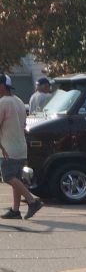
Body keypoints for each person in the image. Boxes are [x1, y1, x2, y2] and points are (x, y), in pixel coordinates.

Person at [0, 75, 45, 220]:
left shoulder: (3, 102)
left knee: (8, 177)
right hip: (21, 146)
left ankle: (32, 201)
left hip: (8, 148)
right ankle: (15, 210)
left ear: (2, 86)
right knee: (16, 179)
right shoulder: (18, 101)